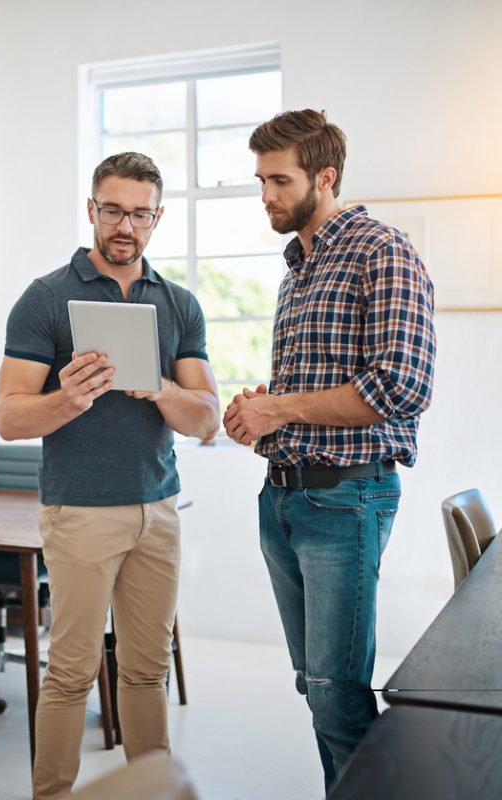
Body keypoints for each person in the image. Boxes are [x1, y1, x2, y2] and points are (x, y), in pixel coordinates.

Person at [0, 152, 220, 800]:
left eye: (141, 214)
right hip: (81, 512)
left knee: (146, 673)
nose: (127, 225)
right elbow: (9, 417)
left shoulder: (178, 304)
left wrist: (154, 387)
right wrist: (67, 398)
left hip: (158, 508)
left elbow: (206, 418)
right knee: (69, 673)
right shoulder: (44, 298)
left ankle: (153, 789)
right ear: (92, 210)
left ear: (158, 218)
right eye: (114, 210)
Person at [223, 110, 436, 790]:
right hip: (283, 497)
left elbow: (401, 385)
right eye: (260, 181)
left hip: (345, 499)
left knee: (337, 693)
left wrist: (279, 407)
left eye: (279, 180)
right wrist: (256, 415)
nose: (266, 196)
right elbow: (309, 395)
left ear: (326, 176)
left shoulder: (382, 251)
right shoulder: (297, 269)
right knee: (317, 688)